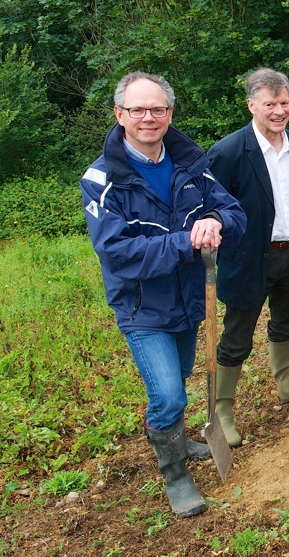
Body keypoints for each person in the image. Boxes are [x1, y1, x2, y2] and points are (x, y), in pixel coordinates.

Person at [81, 72, 245, 518]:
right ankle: (175, 474)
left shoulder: (192, 163)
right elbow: (118, 254)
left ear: (170, 114)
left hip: (190, 298)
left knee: (183, 374)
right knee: (169, 394)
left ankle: (180, 438)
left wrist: (216, 221)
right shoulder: (101, 180)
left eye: (157, 109)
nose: (148, 118)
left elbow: (234, 211)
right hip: (142, 308)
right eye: (137, 110)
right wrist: (185, 241)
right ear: (120, 115)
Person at [206, 68, 289, 447]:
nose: (278, 111)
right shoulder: (228, 152)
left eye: (284, 102)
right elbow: (214, 208)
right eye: (269, 104)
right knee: (236, 337)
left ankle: (287, 383)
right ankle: (222, 410)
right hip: (248, 259)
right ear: (251, 105)